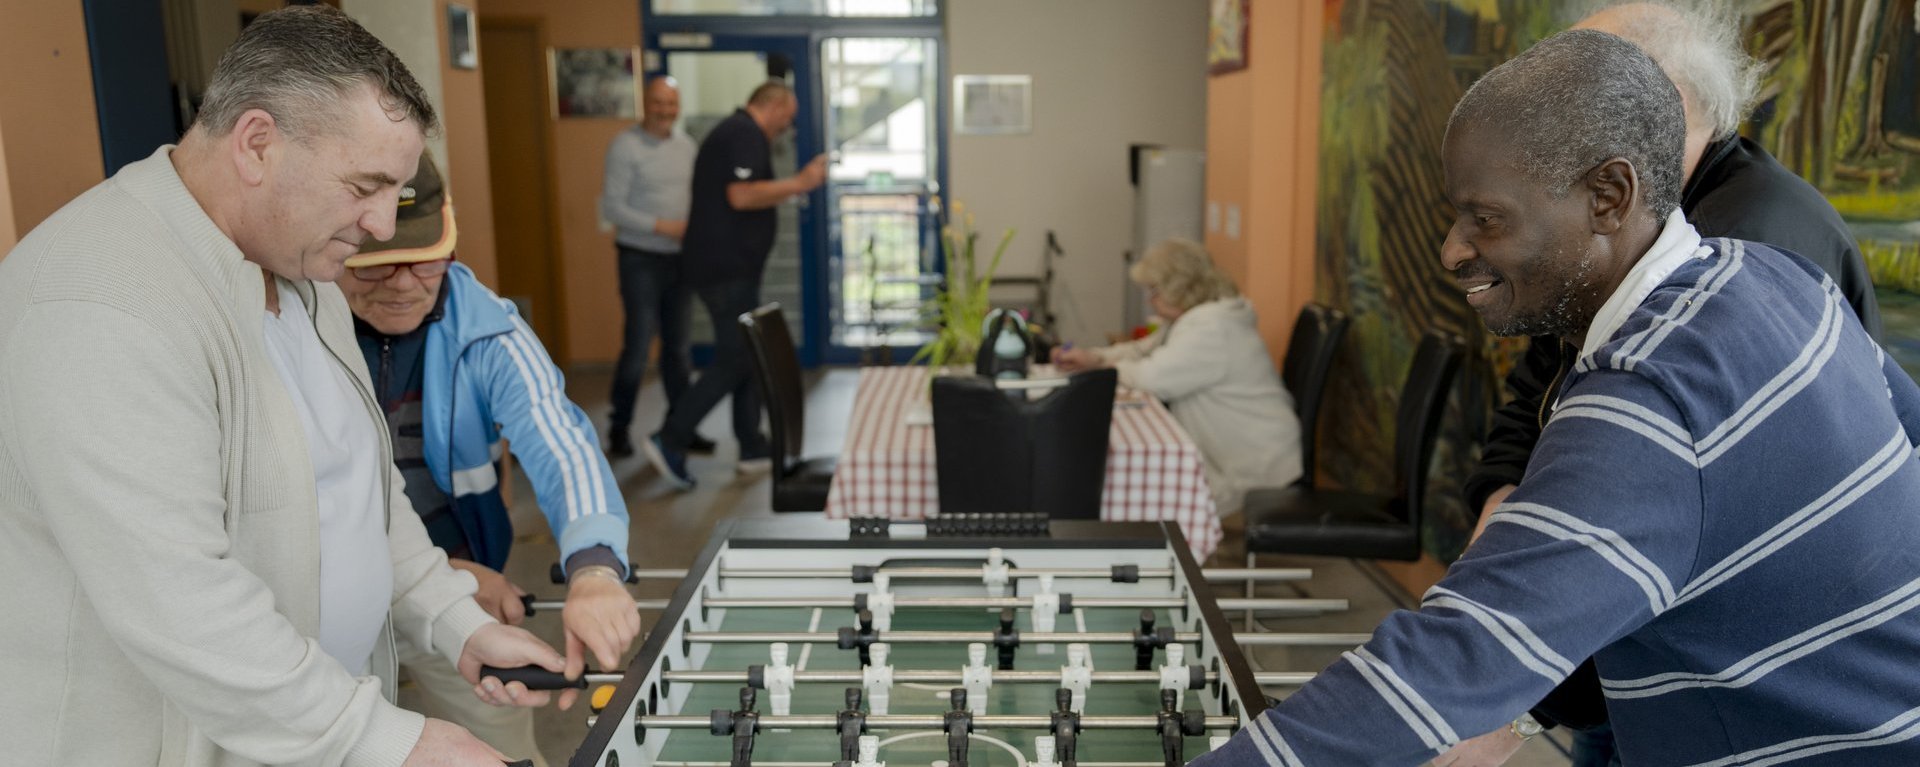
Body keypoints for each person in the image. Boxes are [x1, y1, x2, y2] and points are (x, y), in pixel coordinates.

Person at [1192, 29, 1920, 766]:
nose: (1452, 248)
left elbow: (1444, 660)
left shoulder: (1649, 394)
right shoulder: (1774, 278)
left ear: (1608, 196)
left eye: (1487, 217)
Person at [0, 7, 574, 766]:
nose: (378, 225)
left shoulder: (304, 274)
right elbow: (179, 601)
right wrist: (386, 739)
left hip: (300, 733)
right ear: (258, 144)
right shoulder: (100, 303)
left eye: (395, 193)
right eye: (365, 186)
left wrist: (452, 619)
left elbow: (363, 492)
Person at [1449, 3, 1888, 764]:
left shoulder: (1746, 245)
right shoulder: (1626, 222)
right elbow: (1541, 387)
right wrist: (1502, 510)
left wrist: (1508, 694)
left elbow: (1656, 500)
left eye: (1569, 104)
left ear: (1661, 104)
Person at [342, 152, 643, 765]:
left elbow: (562, 444)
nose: (403, 283)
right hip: (331, 596)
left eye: (423, 259)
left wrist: (593, 568)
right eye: (375, 267)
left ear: (449, 237)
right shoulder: (293, 330)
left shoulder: (491, 333)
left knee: (496, 748)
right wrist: (442, 569)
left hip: (456, 596)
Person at [641, 80, 828, 489]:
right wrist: (799, 183)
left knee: (747, 351)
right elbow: (741, 196)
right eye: (788, 118)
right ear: (774, 107)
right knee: (736, 356)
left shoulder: (739, 133)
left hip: (732, 266)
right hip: (724, 269)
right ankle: (671, 437)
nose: (787, 127)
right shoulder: (742, 134)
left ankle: (751, 444)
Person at [1053, 238, 1302, 515]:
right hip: (1241, 448)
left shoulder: (1212, 329)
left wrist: (1100, 368)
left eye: (1154, 291)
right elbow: (1140, 350)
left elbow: (1152, 378)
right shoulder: (1197, 318)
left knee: (1146, 493)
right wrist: (1095, 357)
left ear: (1180, 287)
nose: (1150, 300)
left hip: (1256, 459)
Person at [601, 75, 714, 458]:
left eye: (671, 103)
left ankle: (681, 427)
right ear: (645, 104)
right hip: (640, 259)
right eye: (658, 102)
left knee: (678, 349)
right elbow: (613, 208)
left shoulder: (686, 146)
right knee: (637, 346)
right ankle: (619, 427)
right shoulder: (625, 146)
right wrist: (664, 227)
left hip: (680, 260)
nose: (665, 110)